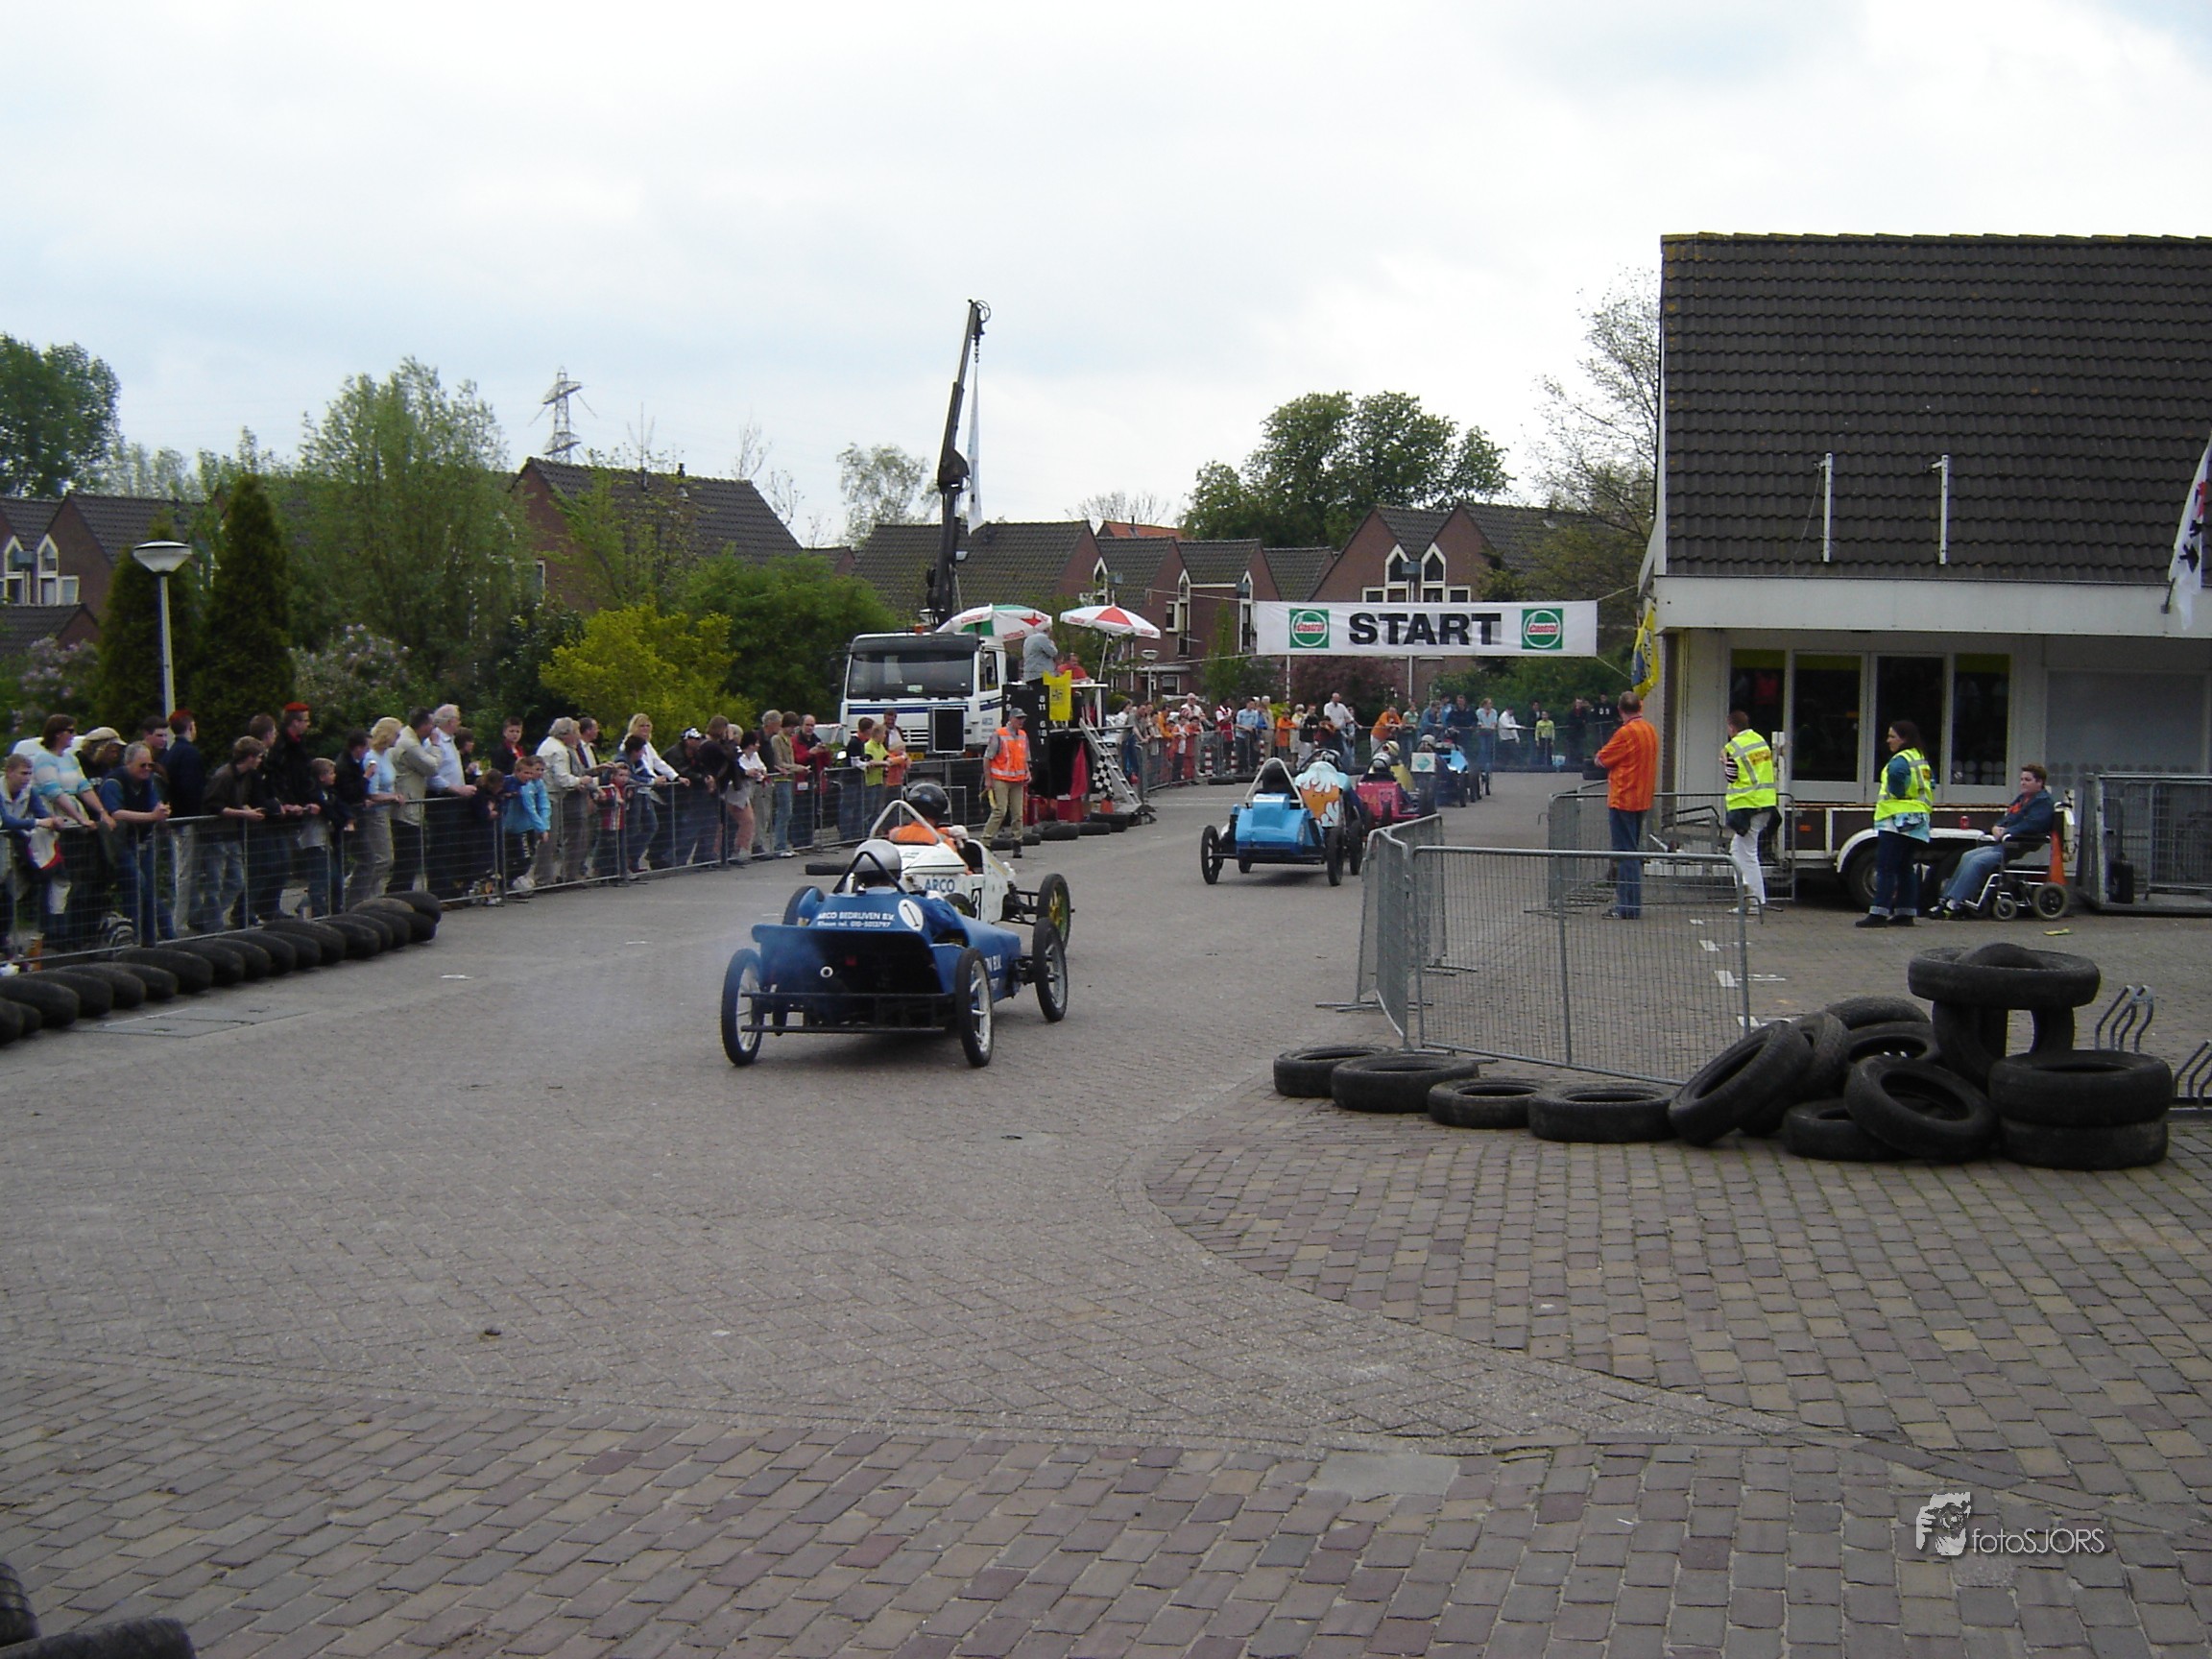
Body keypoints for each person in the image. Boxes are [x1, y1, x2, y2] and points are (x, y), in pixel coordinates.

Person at [1936, 764, 2056, 918]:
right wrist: (1996, 827)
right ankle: (1946, 898)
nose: (2023, 783)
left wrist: (2007, 831)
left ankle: (1955, 902)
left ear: (2039, 782)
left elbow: (2032, 824)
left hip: (2020, 844)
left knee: (1977, 862)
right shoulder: (2022, 799)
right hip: (2005, 843)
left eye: (2027, 780)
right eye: (2022, 779)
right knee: (1967, 856)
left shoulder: (2043, 802)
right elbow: (2008, 816)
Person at [1857, 719, 1934, 928]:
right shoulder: (1919, 758)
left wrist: (1898, 793)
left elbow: (1896, 776)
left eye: (1892, 736)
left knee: (1886, 867)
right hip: (1917, 821)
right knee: (1905, 868)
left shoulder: (1900, 760)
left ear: (1904, 739)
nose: (1888, 740)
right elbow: (1931, 783)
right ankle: (1905, 913)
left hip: (1896, 820)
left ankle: (1879, 913)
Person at [1594, 691, 1658, 918]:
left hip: (1623, 797)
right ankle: (1631, 903)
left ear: (1620, 710)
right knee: (1632, 850)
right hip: (1643, 797)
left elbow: (1601, 759)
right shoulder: (1650, 730)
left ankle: (1628, 906)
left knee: (1625, 853)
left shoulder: (1625, 733)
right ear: (1640, 707)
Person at [100, 741, 172, 943]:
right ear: (128, 763)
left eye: (150, 765)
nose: (147, 769)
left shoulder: (148, 782)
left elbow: (154, 804)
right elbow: (116, 813)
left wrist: (161, 811)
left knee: (148, 891)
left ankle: (152, 940)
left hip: (142, 840)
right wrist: (152, 817)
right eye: (142, 765)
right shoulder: (113, 782)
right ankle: (135, 938)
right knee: (137, 885)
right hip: (119, 843)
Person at [197, 736, 271, 931]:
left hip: (230, 833)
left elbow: (235, 802)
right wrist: (245, 813)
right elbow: (215, 806)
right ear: (250, 757)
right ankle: (212, 924)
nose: (260, 761)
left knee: (237, 881)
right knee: (215, 882)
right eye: (259, 757)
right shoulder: (224, 777)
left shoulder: (244, 777)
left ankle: (205, 917)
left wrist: (245, 809)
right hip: (215, 834)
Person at [1721, 709, 1779, 912]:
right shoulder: (1759, 741)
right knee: (1739, 851)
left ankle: (1753, 901)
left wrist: (1725, 763)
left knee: (1746, 854)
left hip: (1747, 805)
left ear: (1731, 727)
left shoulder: (1733, 747)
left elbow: (1732, 776)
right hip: (1765, 803)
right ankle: (1750, 898)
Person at [390, 709, 439, 895]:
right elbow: (432, 767)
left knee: (411, 854)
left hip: (411, 803)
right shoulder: (409, 744)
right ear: (424, 725)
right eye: (431, 724)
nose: (433, 728)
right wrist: (435, 746)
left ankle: (403, 894)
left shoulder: (413, 741)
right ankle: (398, 895)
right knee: (408, 855)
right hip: (406, 806)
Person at [980, 709, 1030, 845]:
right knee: (1000, 811)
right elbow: (987, 758)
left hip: (1018, 780)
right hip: (1001, 778)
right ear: (1011, 719)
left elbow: (1024, 757)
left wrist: (1027, 771)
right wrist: (988, 779)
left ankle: (1017, 841)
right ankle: (985, 840)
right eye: (1018, 718)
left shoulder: (1023, 735)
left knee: (1018, 814)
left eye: (1023, 718)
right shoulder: (999, 734)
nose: (1021, 721)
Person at [1532, 706, 1556, 771]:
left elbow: (1553, 731)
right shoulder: (1539, 723)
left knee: (1549, 753)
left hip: (1548, 739)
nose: (1544, 716)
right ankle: (1540, 765)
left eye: (1545, 715)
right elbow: (1537, 732)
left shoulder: (1551, 723)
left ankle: (1550, 766)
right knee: (1541, 753)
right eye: (1543, 715)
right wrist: (1537, 740)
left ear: (1548, 715)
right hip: (1542, 739)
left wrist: (1552, 740)